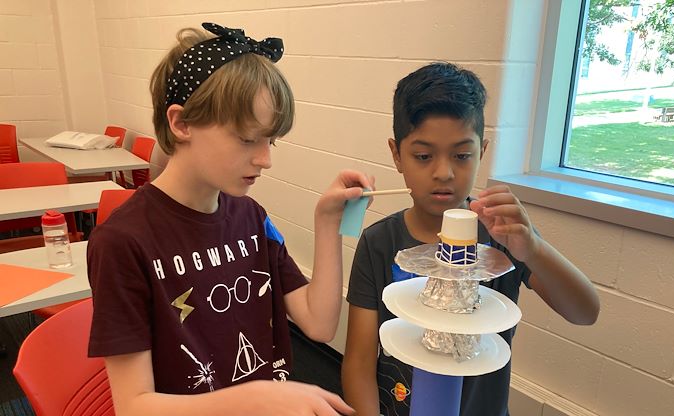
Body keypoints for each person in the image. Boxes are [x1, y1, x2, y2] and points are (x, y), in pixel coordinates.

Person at [87, 23, 372, 416]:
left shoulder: (250, 216)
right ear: (181, 123)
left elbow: (319, 325)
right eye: (246, 139)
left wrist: (326, 223)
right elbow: (133, 406)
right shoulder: (123, 241)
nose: (265, 159)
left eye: (269, 140)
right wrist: (254, 398)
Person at [341, 62, 600, 416]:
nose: (444, 172)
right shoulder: (379, 242)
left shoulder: (504, 234)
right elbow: (358, 362)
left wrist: (534, 250)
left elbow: (585, 311)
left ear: (482, 151)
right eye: (423, 156)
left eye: (462, 155)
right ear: (396, 155)